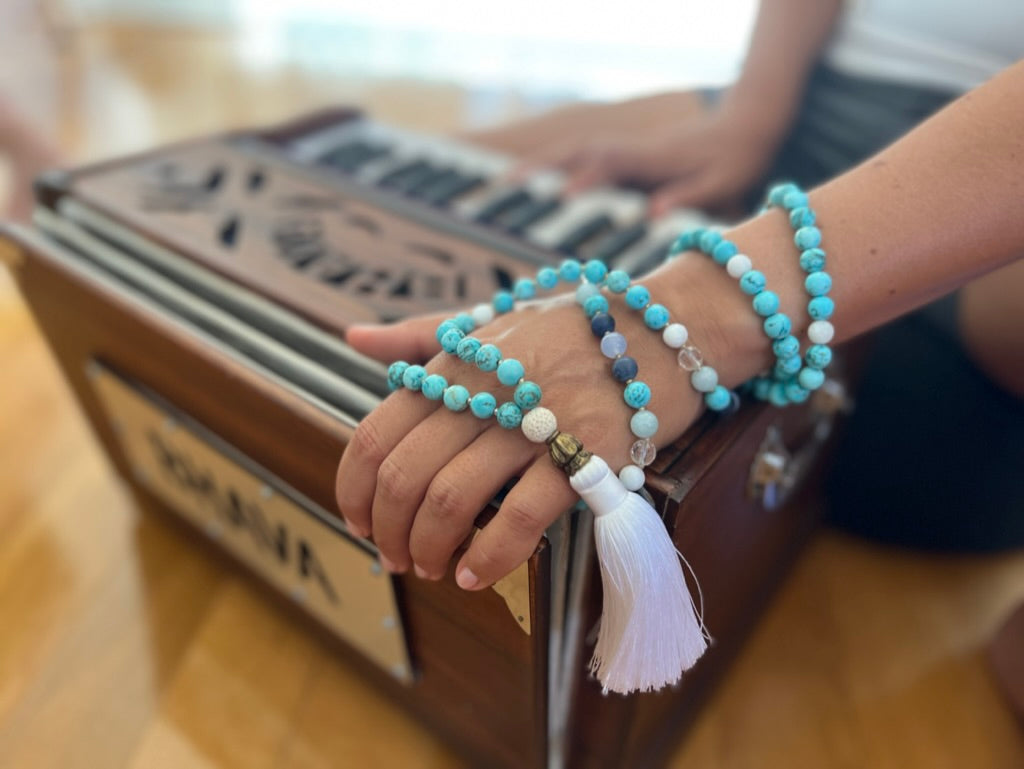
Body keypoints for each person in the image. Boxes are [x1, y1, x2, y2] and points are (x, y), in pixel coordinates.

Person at [335, 1, 1024, 712]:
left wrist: (699, 311)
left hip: (994, 153)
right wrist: (751, 113)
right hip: (821, 86)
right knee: (375, 171)